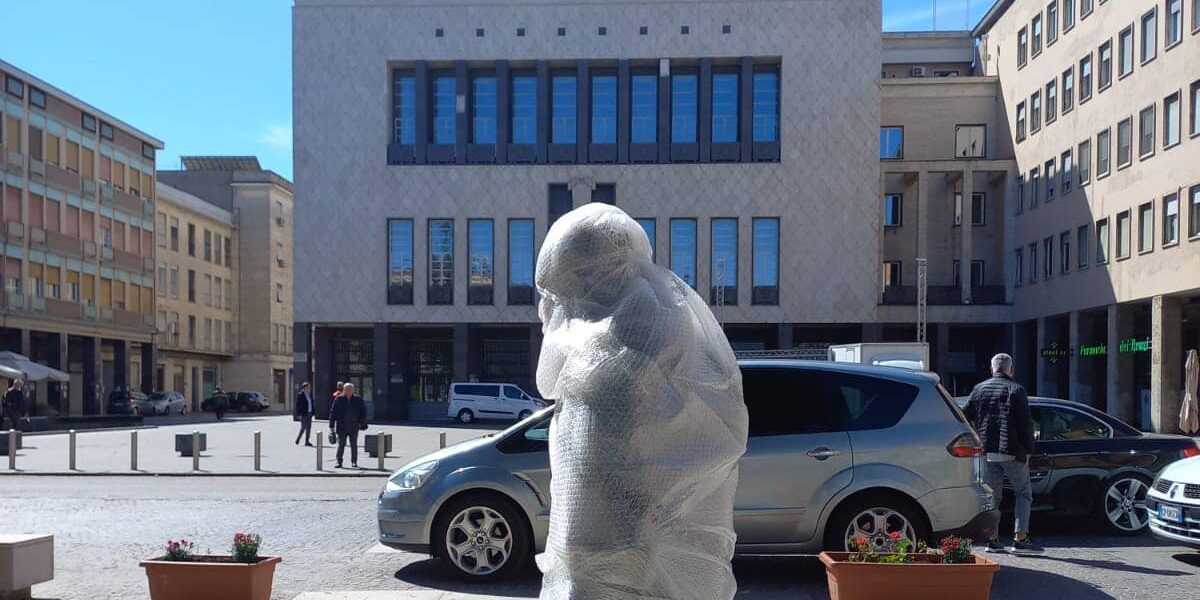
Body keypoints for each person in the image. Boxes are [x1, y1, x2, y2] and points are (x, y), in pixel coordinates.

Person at [963, 353, 1042, 555]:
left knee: (993, 497)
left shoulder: (979, 389)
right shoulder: (1017, 389)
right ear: (1010, 369)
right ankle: (1020, 538)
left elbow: (964, 415)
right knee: (1023, 493)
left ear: (992, 369)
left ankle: (993, 540)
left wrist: (976, 437)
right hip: (1011, 451)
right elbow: (1025, 424)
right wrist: (1029, 450)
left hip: (987, 451)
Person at [329, 382, 366, 468]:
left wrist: (362, 422)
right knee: (341, 444)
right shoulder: (338, 399)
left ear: (353, 390)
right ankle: (339, 462)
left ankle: (354, 461)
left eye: (350, 389)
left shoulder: (358, 399)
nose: (349, 391)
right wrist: (331, 425)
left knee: (354, 444)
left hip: (353, 425)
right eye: (347, 389)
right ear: (344, 390)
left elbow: (363, 411)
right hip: (342, 426)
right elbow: (333, 412)